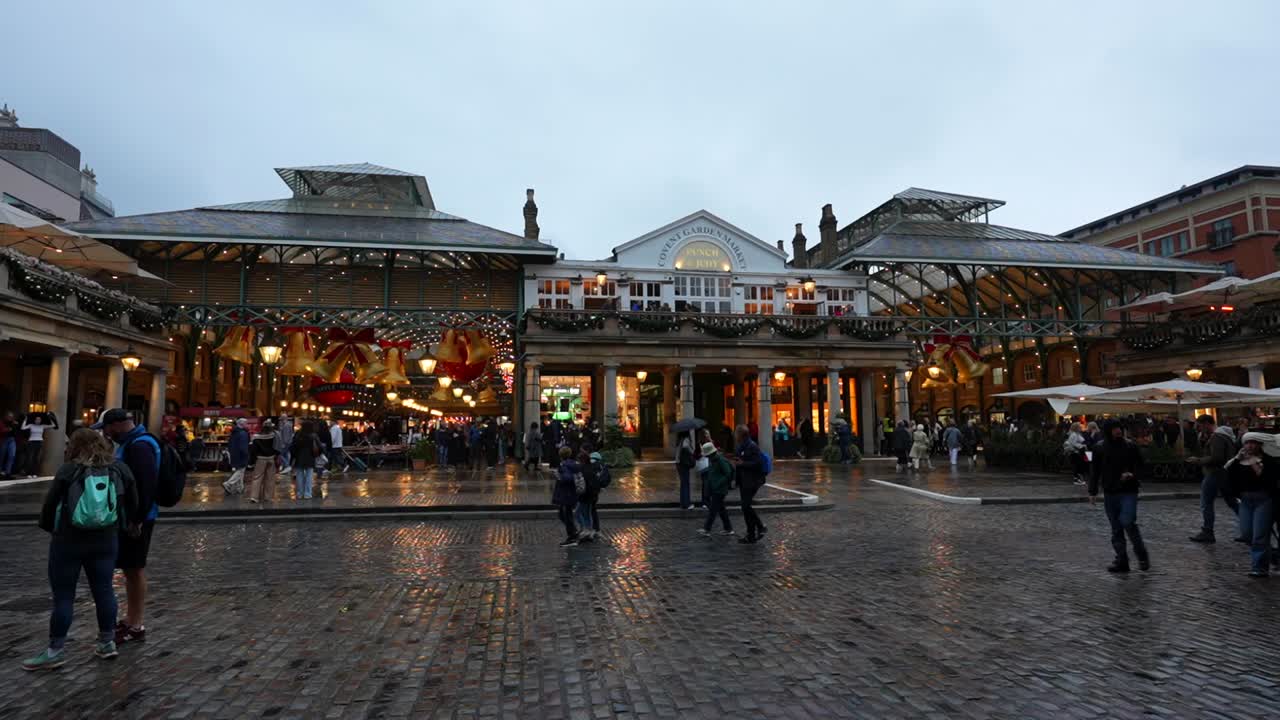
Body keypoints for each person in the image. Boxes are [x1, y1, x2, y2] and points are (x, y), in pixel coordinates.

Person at [23, 429, 139, 670]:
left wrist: (49, 527)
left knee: (64, 596)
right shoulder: (119, 468)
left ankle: (55, 651)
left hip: (68, 539)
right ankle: (107, 642)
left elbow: (50, 504)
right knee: (104, 590)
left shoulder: (69, 470)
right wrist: (127, 524)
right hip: (107, 539)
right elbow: (133, 501)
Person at [94, 408, 158, 645]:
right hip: (134, 517)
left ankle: (136, 623)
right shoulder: (135, 443)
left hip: (138, 519)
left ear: (118, 424)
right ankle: (131, 619)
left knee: (135, 568)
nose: (106, 434)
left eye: (107, 429)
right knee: (131, 569)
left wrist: (137, 519)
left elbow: (146, 484)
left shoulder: (139, 446)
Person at [1087, 419, 1150, 573]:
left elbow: (1142, 467)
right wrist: (1093, 491)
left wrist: (1132, 474)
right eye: (1114, 429)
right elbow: (1094, 471)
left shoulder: (1130, 446)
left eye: (1119, 428)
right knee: (1116, 527)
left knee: (1127, 521)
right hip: (1110, 491)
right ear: (1108, 431)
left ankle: (1141, 555)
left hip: (1128, 490)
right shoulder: (1099, 448)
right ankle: (1121, 560)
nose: (1118, 431)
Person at [1226, 432, 1279, 577]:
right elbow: (1229, 477)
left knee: (1260, 535)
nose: (1249, 446)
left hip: (1264, 500)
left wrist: (1254, 463)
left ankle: (1259, 567)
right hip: (1246, 501)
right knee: (1247, 533)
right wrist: (1237, 460)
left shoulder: (1268, 461)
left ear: (1260, 445)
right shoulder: (1238, 461)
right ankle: (1272, 554)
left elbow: (1268, 480)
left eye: (1253, 443)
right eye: (1247, 443)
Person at [1188, 415, 1241, 544]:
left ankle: (1207, 531)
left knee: (1206, 503)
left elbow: (1217, 458)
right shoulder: (1224, 435)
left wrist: (1198, 460)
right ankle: (1250, 527)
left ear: (1207, 423)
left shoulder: (1217, 437)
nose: (1198, 428)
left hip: (1215, 472)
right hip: (1224, 473)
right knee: (1232, 502)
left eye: (1199, 425)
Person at [733, 425, 767, 544]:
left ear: (741, 435)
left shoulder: (752, 446)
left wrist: (743, 464)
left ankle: (760, 526)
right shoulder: (740, 447)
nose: (735, 435)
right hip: (744, 481)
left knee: (745, 506)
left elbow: (757, 463)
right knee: (745, 507)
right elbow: (738, 464)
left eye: (736, 433)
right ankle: (751, 535)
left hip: (752, 481)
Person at [697, 441, 735, 537]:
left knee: (713, 510)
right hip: (716, 489)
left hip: (720, 489)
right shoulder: (713, 460)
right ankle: (728, 528)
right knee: (721, 509)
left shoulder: (720, 460)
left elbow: (728, 473)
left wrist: (718, 483)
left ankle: (707, 529)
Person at [552, 447, 580, 547]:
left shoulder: (564, 465)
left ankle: (572, 535)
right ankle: (573, 532)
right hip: (571, 493)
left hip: (566, 494)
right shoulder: (573, 463)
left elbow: (567, 478)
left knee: (566, 515)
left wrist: (558, 476)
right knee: (564, 514)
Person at [578, 451, 610, 541]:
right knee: (591, 510)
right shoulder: (599, 466)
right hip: (594, 492)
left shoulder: (586, 468)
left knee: (582, 512)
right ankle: (593, 529)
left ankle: (588, 530)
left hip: (587, 494)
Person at [246, 421, 279, 504]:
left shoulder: (256, 437)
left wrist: (251, 462)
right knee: (270, 479)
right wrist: (276, 456)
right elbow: (278, 447)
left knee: (257, 478)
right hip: (271, 458)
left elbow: (253, 451)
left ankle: (254, 497)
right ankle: (268, 497)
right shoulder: (274, 436)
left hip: (260, 459)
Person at [289, 421, 322, 499]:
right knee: (309, 476)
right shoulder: (313, 435)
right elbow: (320, 447)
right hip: (310, 457)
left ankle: (300, 493)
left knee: (299, 475)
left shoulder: (298, 434)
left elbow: (293, 446)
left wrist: (293, 456)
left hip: (299, 457)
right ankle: (308, 493)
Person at [21, 412, 58, 478]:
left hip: (39, 442)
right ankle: (28, 473)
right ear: (34, 420)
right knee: (30, 458)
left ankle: (34, 473)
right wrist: (26, 419)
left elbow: (53, 425)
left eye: (39, 419)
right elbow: (22, 428)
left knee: (36, 458)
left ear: (41, 421)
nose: (38, 420)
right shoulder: (31, 425)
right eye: (37, 419)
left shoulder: (42, 426)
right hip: (31, 442)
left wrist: (50, 418)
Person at [676, 433, 696, 510]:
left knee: (683, 483)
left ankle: (683, 503)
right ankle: (686, 504)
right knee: (686, 483)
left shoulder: (679, 440)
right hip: (684, 463)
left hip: (678, 463)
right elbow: (685, 446)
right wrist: (692, 451)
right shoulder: (686, 439)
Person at [0, 411, 17, 478]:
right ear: (6, 416)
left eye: (12, 416)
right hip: (3, 440)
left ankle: (8, 473)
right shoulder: (1, 422)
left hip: (12, 440)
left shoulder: (13, 423)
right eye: (9, 416)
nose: (11, 418)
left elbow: (16, 432)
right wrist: (7, 430)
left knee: (12, 456)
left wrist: (15, 425)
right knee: (1, 456)